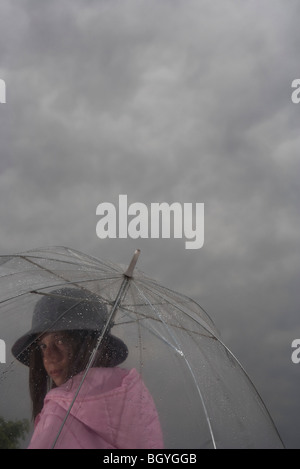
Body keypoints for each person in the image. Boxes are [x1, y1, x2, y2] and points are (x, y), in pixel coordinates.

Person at [12, 287, 164, 449]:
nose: (49, 356)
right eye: (43, 345)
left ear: (89, 344)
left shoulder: (58, 414)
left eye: (61, 340)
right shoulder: (137, 404)